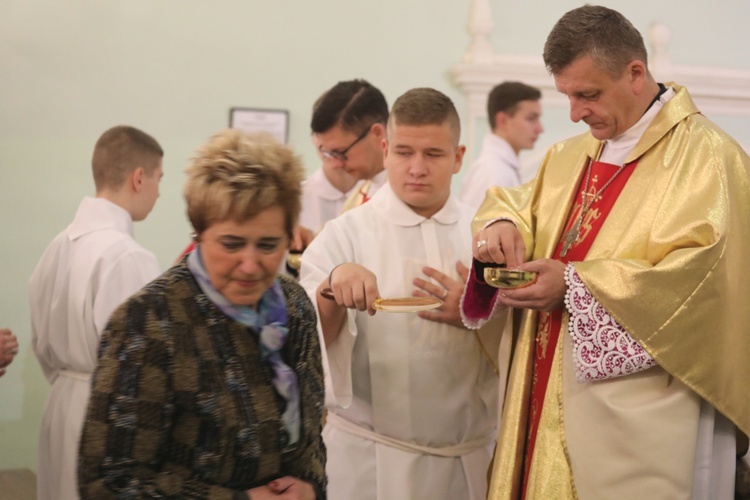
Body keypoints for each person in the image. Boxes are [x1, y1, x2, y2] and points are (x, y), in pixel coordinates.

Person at [461, 5, 750, 499]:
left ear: (635, 73)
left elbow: (703, 284)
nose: (574, 112)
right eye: (567, 96)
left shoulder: (710, 159)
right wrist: (502, 222)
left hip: (640, 422)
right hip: (541, 385)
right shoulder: (570, 153)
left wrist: (574, 286)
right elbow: (518, 203)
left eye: (587, 94)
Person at [78, 130, 326, 499]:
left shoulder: (292, 306)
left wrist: (310, 487)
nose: (250, 265)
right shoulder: (150, 321)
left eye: (268, 245)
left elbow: (311, 435)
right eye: (231, 244)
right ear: (199, 233)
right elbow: (109, 482)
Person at [301, 88, 507, 500]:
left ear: (459, 157)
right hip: (371, 461)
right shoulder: (344, 234)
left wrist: (476, 310)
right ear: (384, 147)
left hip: (467, 462)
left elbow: (524, 337)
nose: (417, 168)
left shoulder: (483, 235)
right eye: (403, 152)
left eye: (433, 154)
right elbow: (306, 338)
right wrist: (332, 285)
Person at [28, 125, 163, 500]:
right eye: (158, 179)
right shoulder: (128, 255)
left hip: (61, 402)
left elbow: (40, 343)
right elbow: (139, 364)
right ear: (139, 178)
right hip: (105, 417)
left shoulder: (60, 243)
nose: (159, 193)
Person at [459, 81, 543, 212]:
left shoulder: (501, 169)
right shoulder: (493, 171)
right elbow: (474, 229)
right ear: (502, 121)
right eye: (531, 119)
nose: (540, 128)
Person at [311, 79, 389, 211]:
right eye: (328, 154)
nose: (335, 165)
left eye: (340, 152)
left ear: (377, 133)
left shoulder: (410, 193)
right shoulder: (361, 192)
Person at [298, 134, 360, 234]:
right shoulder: (297, 198)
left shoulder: (376, 193)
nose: (331, 146)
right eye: (321, 133)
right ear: (313, 139)